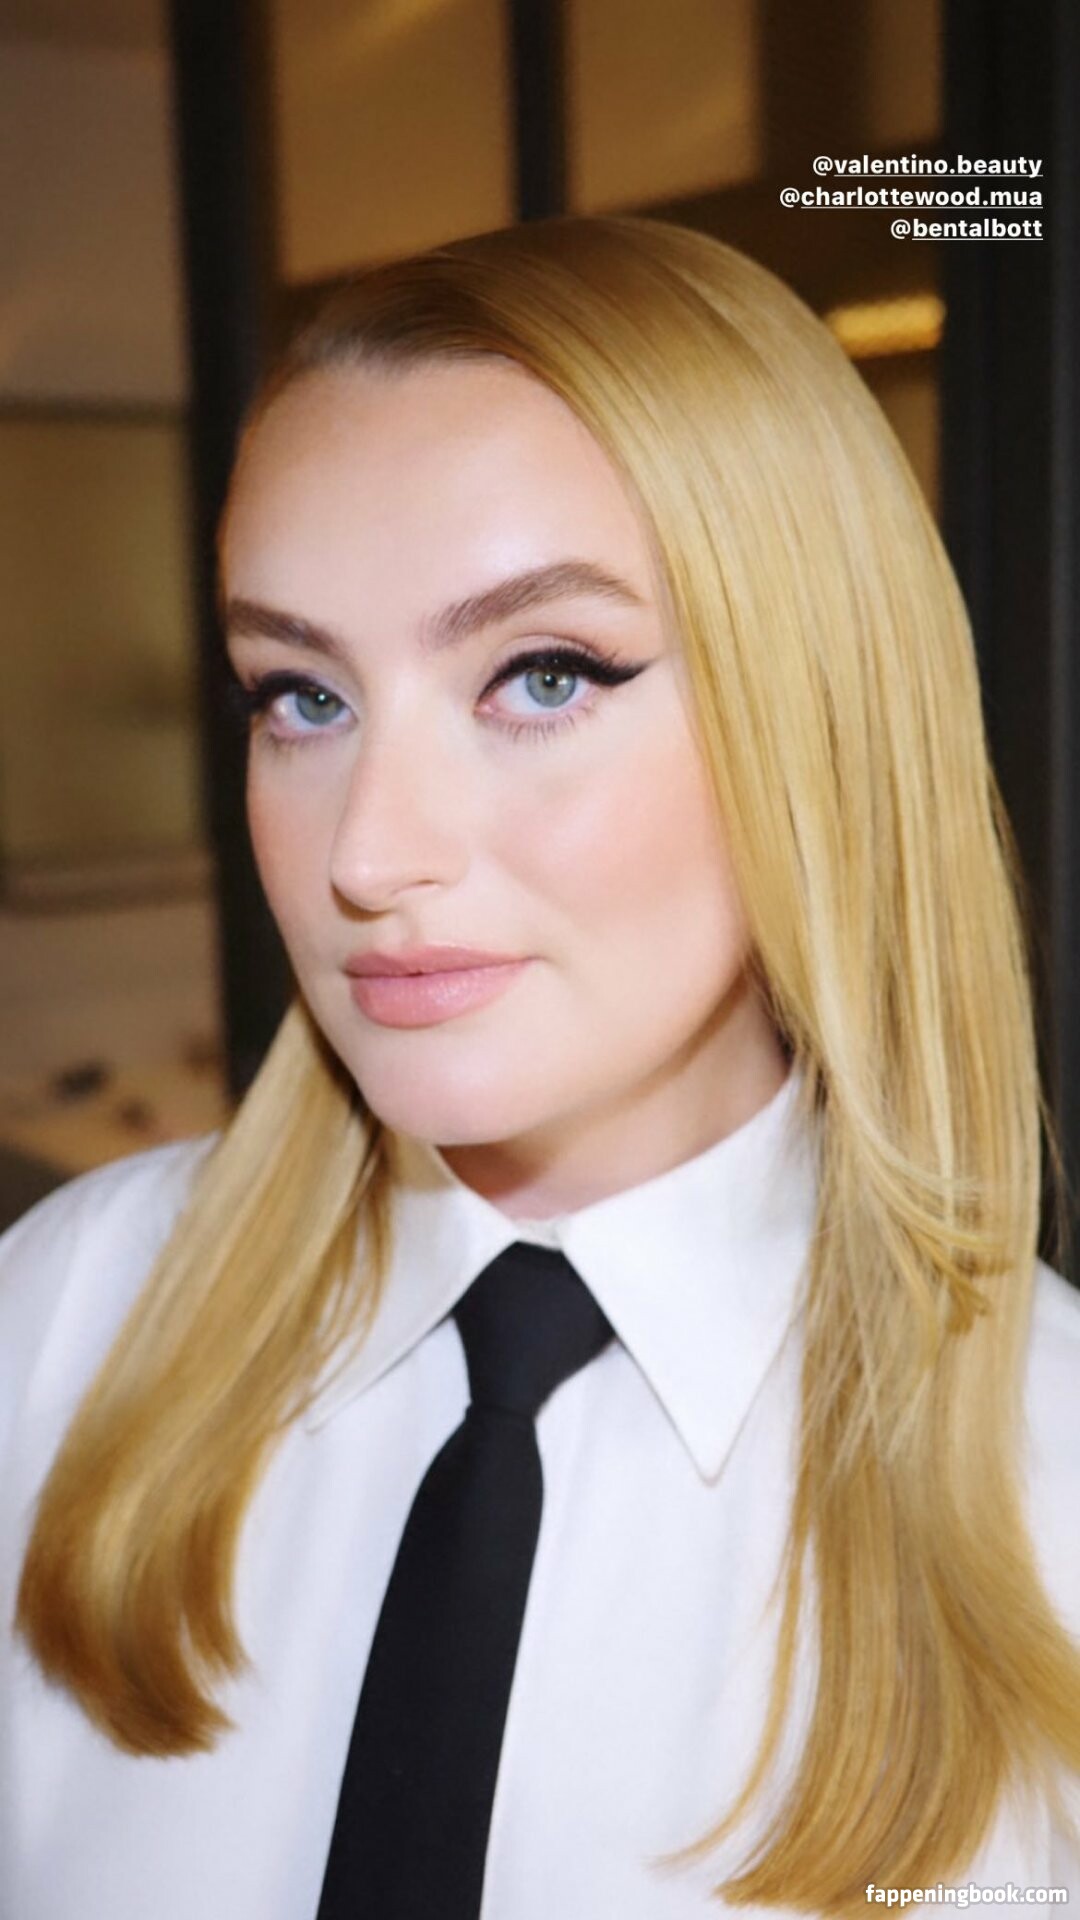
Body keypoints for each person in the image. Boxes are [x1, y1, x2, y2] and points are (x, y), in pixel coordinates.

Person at [2, 213, 1079, 1920]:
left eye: (543, 674)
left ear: (817, 712)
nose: (369, 852)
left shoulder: (1053, 1481)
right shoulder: (63, 1319)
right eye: (301, 697)